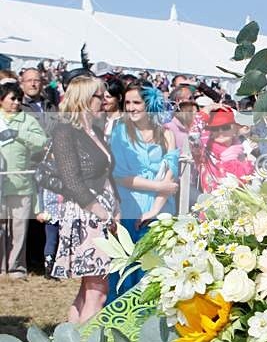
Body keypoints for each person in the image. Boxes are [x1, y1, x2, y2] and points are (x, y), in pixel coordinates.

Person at [50, 76, 119, 322]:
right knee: (97, 292)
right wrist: (99, 209)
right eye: (100, 96)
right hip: (86, 215)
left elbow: (106, 174)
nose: (105, 100)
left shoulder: (94, 131)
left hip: (100, 214)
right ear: (85, 99)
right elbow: (71, 179)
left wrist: (114, 208)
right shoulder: (65, 130)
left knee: (88, 289)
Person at [108, 81, 178, 303]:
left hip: (160, 210)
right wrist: (159, 187)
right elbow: (119, 175)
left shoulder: (166, 134)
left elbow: (170, 172)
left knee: (153, 273)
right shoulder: (120, 132)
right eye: (127, 102)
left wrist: (156, 208)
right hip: (129, 205)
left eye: (136, 102)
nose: (130, 107)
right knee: (124, 273)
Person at [0, 82, 47, 279]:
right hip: (1, 184)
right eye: (12, 98)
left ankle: (16, 267)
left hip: (22, 184)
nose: (16, 102)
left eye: (19, 99)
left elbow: (42, 142)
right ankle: (1, 267)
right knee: (1, 227)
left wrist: (19, 134)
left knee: (19, 229)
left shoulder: (28, 120)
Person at [193, 106, 254, 192]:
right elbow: (191, 136)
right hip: (212, 203)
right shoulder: (204, 152)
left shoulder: (241, 153)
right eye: (215, 128)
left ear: (235, 129)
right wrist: (204, 112)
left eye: (225, 127)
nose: (220, 131)